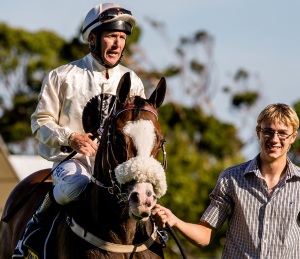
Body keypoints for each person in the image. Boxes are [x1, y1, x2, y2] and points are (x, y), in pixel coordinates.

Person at [13, 3, 145, 258]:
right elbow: (40, 121)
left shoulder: (133, 81)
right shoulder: (62, 76)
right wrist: (71, 138)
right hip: (73, 163)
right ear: (92, 38)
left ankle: (154, 236)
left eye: (122, 37)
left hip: (118, 168)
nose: (117, 44)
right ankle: (34, 230)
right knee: (75, 186)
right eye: (111, 36)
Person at [152, 103, 300, 258]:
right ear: (258, 132)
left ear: (293, 137)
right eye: (268, 132)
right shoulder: (231, 179)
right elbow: (204, 235)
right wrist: (174, 220)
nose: (275, 139)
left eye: (283, 133)